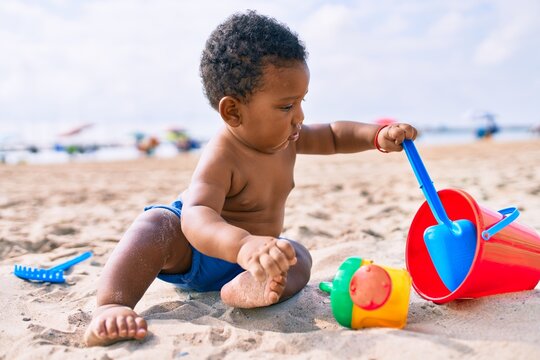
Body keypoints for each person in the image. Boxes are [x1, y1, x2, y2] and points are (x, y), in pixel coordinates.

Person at [84, 10, 418, 347]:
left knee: (298, 255)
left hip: (255, 260)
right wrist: (242, 245)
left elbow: (333, 135)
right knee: (155, 225)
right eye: (287, 106)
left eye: (302, 102)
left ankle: (250, 289)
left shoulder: (288, 137)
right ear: (233, 112)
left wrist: (376, 136)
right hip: (197, 251)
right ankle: (112, 303)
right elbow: (197, 215)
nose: (299, 117)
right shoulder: (223, 154)